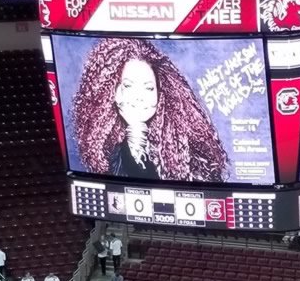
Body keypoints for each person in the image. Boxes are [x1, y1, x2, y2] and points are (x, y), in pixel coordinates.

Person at [71, 36, 230, 182]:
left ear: (161, 94)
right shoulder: (105, 152)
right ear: (111, 92)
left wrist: (136, 131)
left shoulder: (188, 150)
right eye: (128, 86)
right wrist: (135, 133)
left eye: (148, 88)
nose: (139, 96)